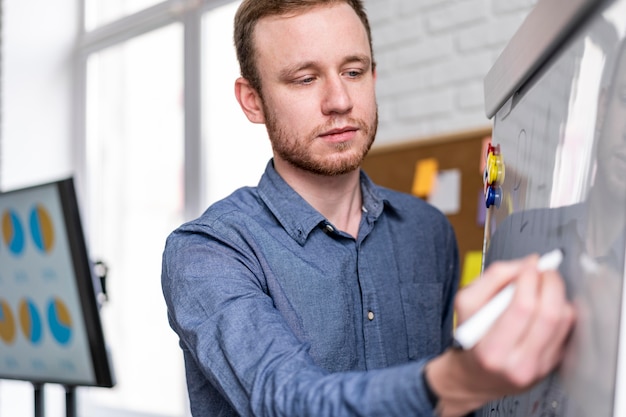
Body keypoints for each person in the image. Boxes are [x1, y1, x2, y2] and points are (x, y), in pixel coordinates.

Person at [161, 1, 575, 416]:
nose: (339, 100)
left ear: (373, 76)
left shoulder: (426, 230)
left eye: (354, 72)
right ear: (252, 101)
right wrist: (457, 378)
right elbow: (285, 399)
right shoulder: (208, 251)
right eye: (305, 79)